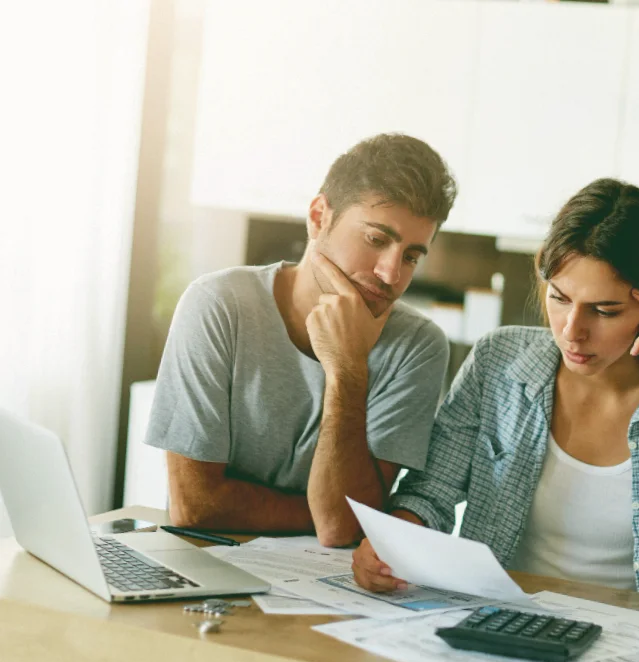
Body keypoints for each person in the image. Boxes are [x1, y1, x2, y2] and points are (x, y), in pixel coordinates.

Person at [351, 178, 639, 601]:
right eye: (560, 298)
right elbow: (430, 496)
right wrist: (391, 547)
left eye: (604, 310)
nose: (572, 331)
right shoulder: (498, 361)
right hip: (495, 621)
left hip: (631, 642)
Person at [145, 134, 455, 546]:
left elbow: (343, 528)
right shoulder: (218, 305)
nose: (390, 274)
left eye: (412, 256)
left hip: (331, 592)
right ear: (318, 216)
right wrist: (321, 510)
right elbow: (196, 506)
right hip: (204, 564)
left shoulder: (418, 346)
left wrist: (347, 370)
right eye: (376, 240)